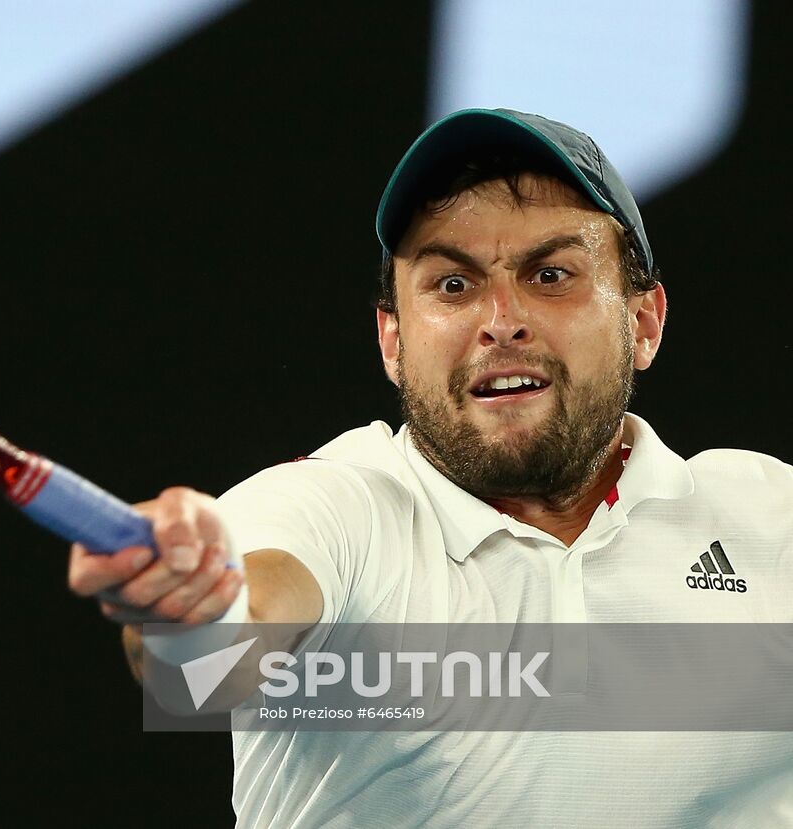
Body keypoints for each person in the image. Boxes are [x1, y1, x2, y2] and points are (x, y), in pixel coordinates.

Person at [67, 109, 793, 827]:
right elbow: (203, 666)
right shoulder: (337, 506)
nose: (501, 318)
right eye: (453, 284)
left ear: (644, 323)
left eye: (550, 273)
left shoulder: (768, 520)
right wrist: (193, 607)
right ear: (392, 341)